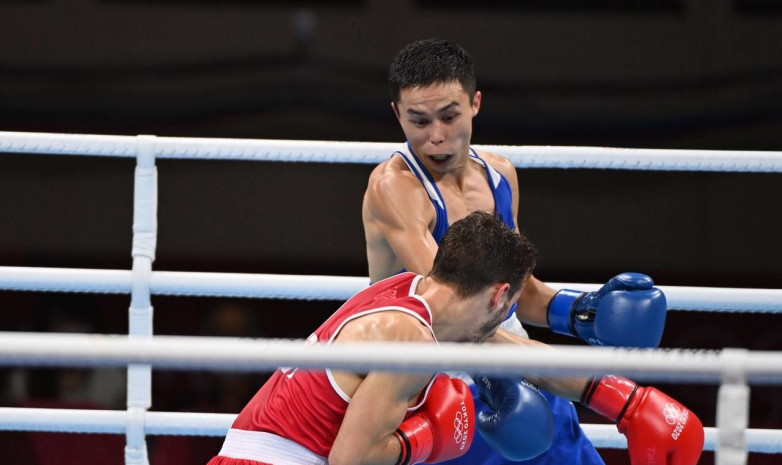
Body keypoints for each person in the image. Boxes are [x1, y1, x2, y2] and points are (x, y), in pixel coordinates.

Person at [362, 38, 704, 465]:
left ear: (475, 104)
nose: (436, 138)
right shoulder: (396, 189)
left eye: (449, 117)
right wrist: (610, 392)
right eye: (419, 121)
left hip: (514, 361)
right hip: (436, 383)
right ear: (397, 115)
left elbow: (509, 294)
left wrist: (580, 313)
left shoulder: (500, 175)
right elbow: (455, 313)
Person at [207, 211, 538, 465]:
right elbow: (350, 460)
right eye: (512, 305)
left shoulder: (399, 290)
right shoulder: (413, 342)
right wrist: (426, 438)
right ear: (499, 296)